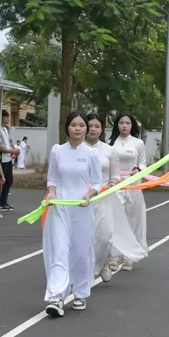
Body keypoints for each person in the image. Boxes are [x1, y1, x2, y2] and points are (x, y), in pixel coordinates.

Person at [43, 111, 102, 317]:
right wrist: (51, 193)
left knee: (80, 252)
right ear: (67, 127)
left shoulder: (91, 153)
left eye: (82, 125)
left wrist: (89, 194)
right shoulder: (57, 151)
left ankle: (80, 292)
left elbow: (97, 183)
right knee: (59, 250)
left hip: (81, 209)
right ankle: (56, 295)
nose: (78, 128)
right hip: (59, 208)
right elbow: (52, 180)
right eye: (74, 125)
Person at [85, 114, 146, 283]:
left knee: (117, 227)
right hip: (85, 197)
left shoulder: (123, 146)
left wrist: (133, 172)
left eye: (97, 126)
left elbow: (139, 165)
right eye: (121, 122)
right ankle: (93, 267)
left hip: (120, 189)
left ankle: (115, 258)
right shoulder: (81, 148)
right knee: (89, 234)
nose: (92, 129)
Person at [109, 111, 148, 269]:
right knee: (116, 219)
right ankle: (115, 255)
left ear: (132, 125)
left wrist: (138, 169)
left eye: (127, 123)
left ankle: (128, 257)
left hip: (133, 185)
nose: (124, 126)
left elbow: (144, 163)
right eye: (121, 123)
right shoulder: (111, 143)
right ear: (117, 125)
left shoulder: (138, 143)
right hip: (116, 185)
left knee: (133, 219)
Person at [0, 110, 18, 212]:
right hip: (2, 158)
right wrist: (12, 150)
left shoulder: (5, 129)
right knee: (1, 181)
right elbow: (0, 147)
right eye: (6, 117)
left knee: (9, 180)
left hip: (8, 158)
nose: (8, 119)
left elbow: (8, 143)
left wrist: (13, 150)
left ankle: (3, 201)